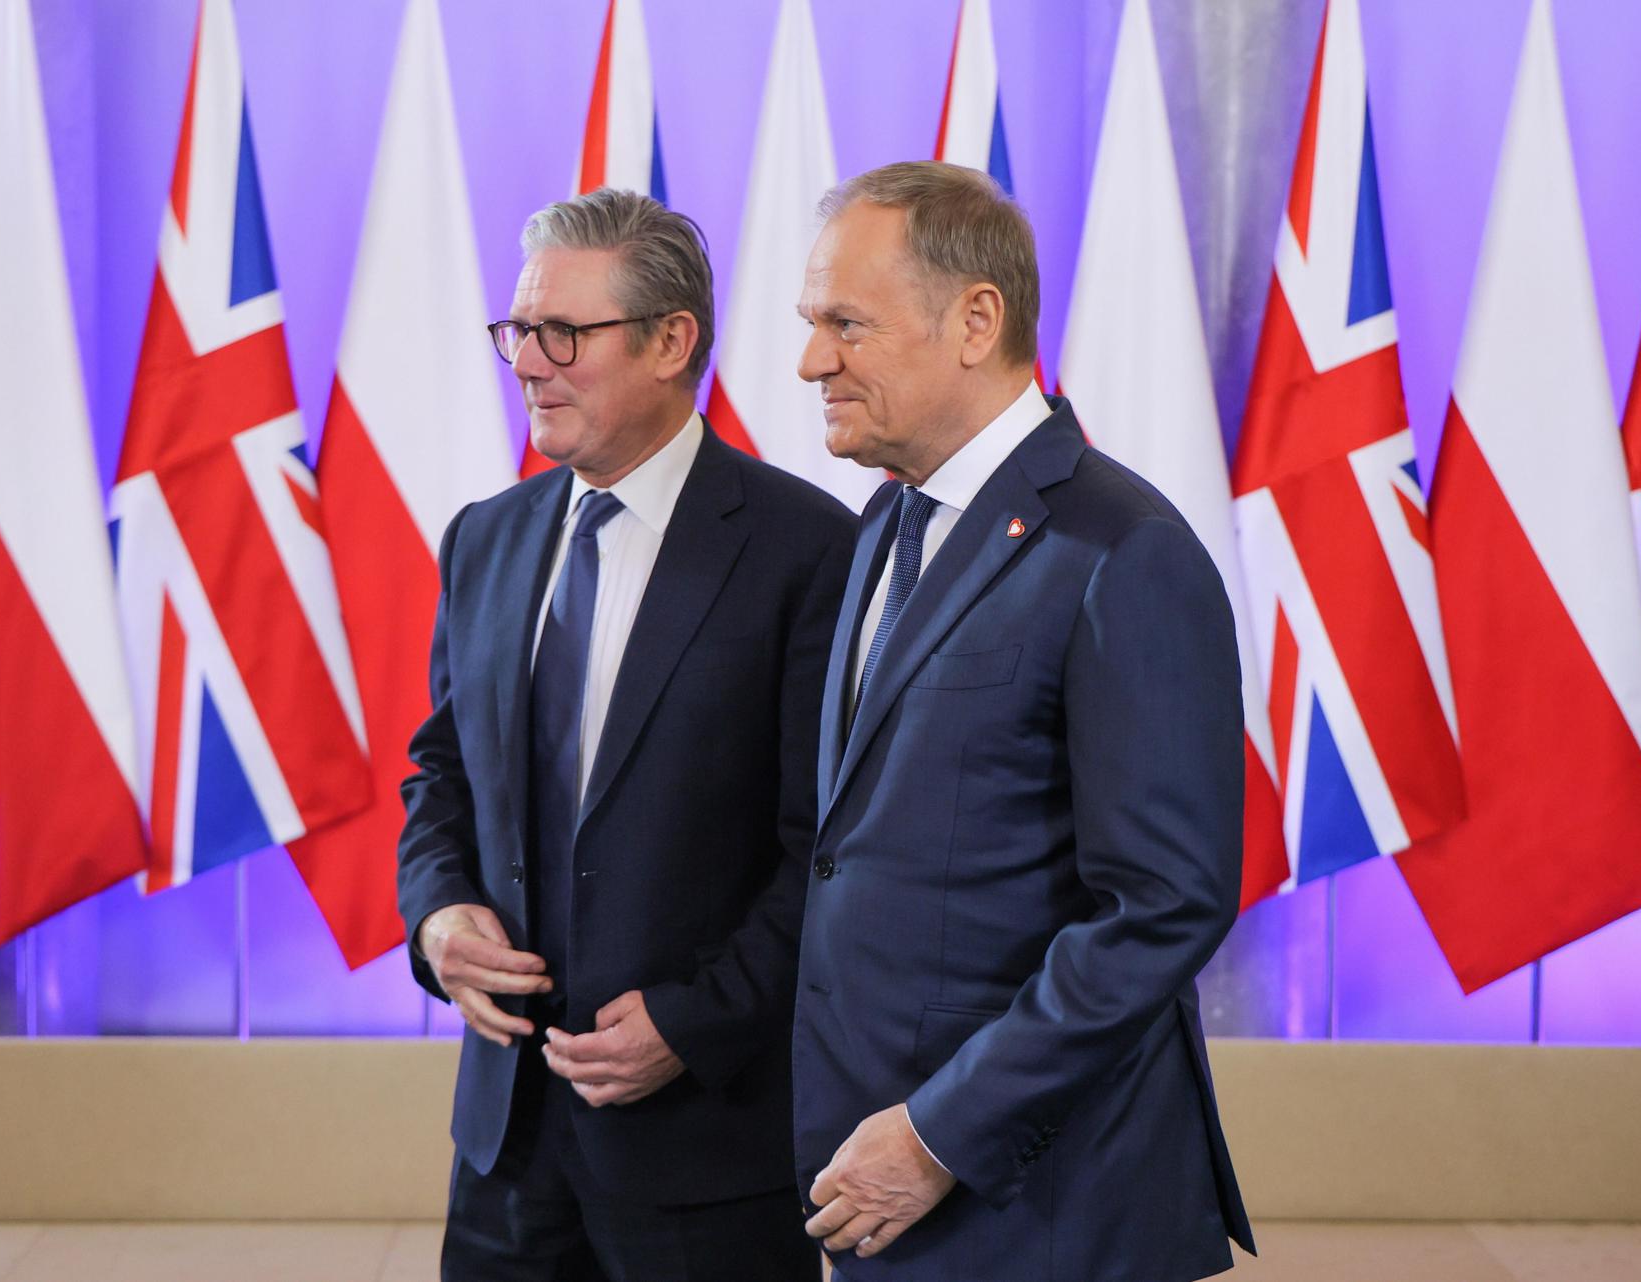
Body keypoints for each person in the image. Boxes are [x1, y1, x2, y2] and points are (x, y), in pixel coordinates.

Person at [791, 161, 1255, 1281]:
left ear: (976, 321)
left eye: (846, 324)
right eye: (811, 325)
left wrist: (940, 1131)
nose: (811, 361)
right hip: (885, 1187)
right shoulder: (885, 524)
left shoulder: (1121, 550)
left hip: (1042, 1207)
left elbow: (1162, 905)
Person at [398, 187, 850, 1282]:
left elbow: (829, 851)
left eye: (564, 333)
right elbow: (441, 776)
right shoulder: (485, 540)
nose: (529, 363)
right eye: (518, 332)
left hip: (706, 1151)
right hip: (504, 1150)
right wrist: (437, 919)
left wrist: (694, 1024)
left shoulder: (808, 550)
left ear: (670, 341)